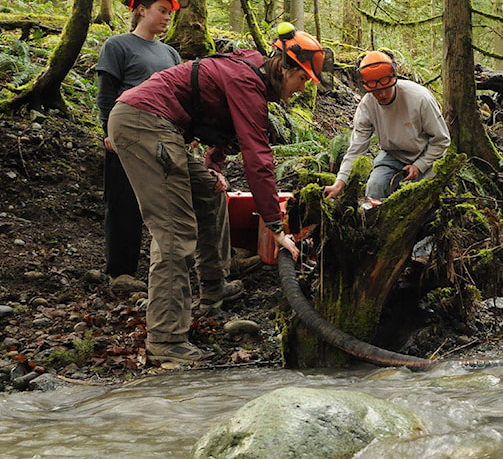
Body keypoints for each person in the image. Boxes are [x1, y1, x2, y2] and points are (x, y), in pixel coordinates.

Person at [107, 22, 315, 365]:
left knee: (210, 192)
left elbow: (223, 129)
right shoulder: (246, 80)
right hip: (144, 123)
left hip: (156, 125)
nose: (303, 88)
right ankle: (166, 339)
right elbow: (257, 156)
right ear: (284, 66)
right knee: (174, 231)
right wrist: (275, 226)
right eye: (303, 78)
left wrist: (214, 169)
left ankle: (213, 290)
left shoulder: (249, 76)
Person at [95, 0, 184, 285]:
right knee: (123, 201)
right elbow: (106, 92)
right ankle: (120, 272)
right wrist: (108, 130)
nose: (167, 17)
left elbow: (178, 96)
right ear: (142, 10)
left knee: (164, 203)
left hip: (162, 137)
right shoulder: (117, 45)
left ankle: (166, 269)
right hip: (126, 135)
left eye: (170, 12)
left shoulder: (171, 54)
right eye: (162, 9)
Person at [323, 50, 450, 202]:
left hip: (426, 156)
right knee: (375, 186)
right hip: (392, 155)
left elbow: (441, 140)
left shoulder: (419, 98)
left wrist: (420, 165)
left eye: (385, 88)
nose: (381, 94)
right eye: (375, 91)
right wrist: (339, 183)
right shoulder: (367, 105)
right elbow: (356, 148)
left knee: (417, 198)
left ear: (393, 79)